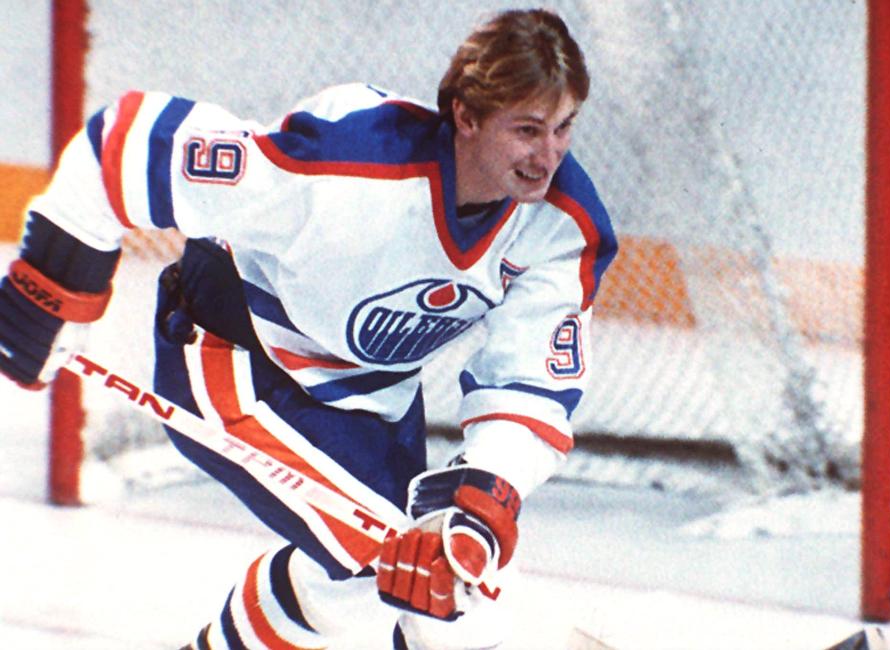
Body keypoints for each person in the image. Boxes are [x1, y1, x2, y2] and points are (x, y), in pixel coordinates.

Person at [0, 8, 617, 649]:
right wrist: (49, 284)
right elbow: (123, 146)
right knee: (377, 571)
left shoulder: (561, 225)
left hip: (370, 398)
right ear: (466, 116)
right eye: (527, 130)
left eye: (564, 127)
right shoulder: (342, 161)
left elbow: (529, 385)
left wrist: (481, 502)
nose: (548, 156)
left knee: (429, 590)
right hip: (233, 351)